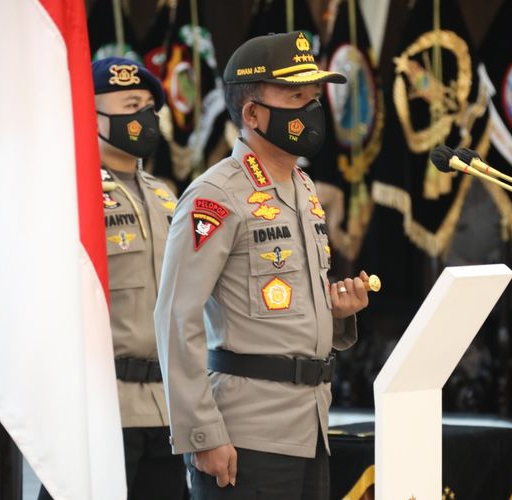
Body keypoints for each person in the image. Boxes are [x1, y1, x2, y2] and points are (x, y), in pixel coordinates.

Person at [154, 32, 370, 499]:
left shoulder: (304, 188)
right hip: (245, 436)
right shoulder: (216, 195)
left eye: (314, 97)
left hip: (310, 427)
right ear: (252, 114)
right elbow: (176, 316)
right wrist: (202, 433)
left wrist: (336, 313)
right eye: (296, 97)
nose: (312, 109)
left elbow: (284, 308)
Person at [39, 57, 186, 499]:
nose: (144, 117)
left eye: (148, 107)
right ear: (92, 116)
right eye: (130, 105)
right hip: (101, 407)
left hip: (167, 407)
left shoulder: (166, 194)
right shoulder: (69, 192)